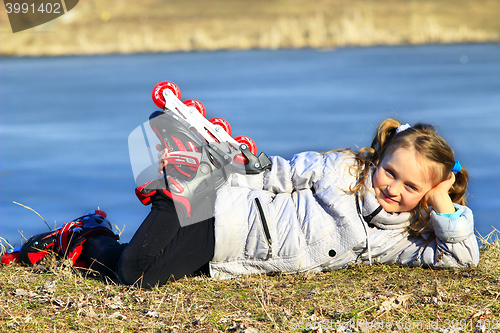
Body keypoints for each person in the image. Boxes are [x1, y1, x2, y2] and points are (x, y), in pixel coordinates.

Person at [8, 118, 479, 288]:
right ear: (378, 160)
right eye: (390, 172)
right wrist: (236, 162)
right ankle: (183, 185)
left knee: (133, 269)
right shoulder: (341, 172)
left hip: (229, 260)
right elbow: (276, 171)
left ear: (426, 198)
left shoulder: (398, 240)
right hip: (225, 216)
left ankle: (85, 235)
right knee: (137, 276)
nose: (393, 188)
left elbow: (461, 258)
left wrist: (444, 204)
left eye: (411, 188)